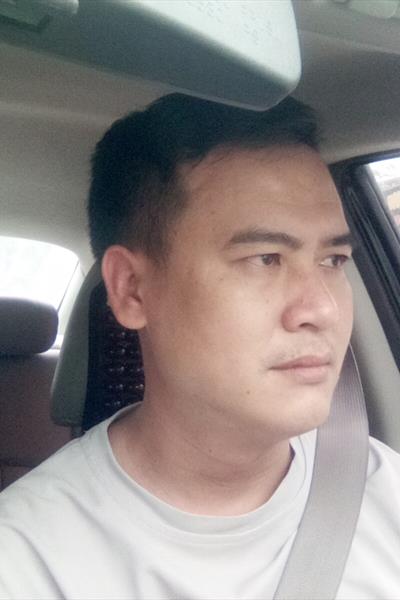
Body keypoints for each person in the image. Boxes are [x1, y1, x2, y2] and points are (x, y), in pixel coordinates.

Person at [0, 94, 399, 600]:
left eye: (333, 260)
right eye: (265, 259)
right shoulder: (27, 563)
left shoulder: (386, 492)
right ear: (132, 290)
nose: (322, 309)